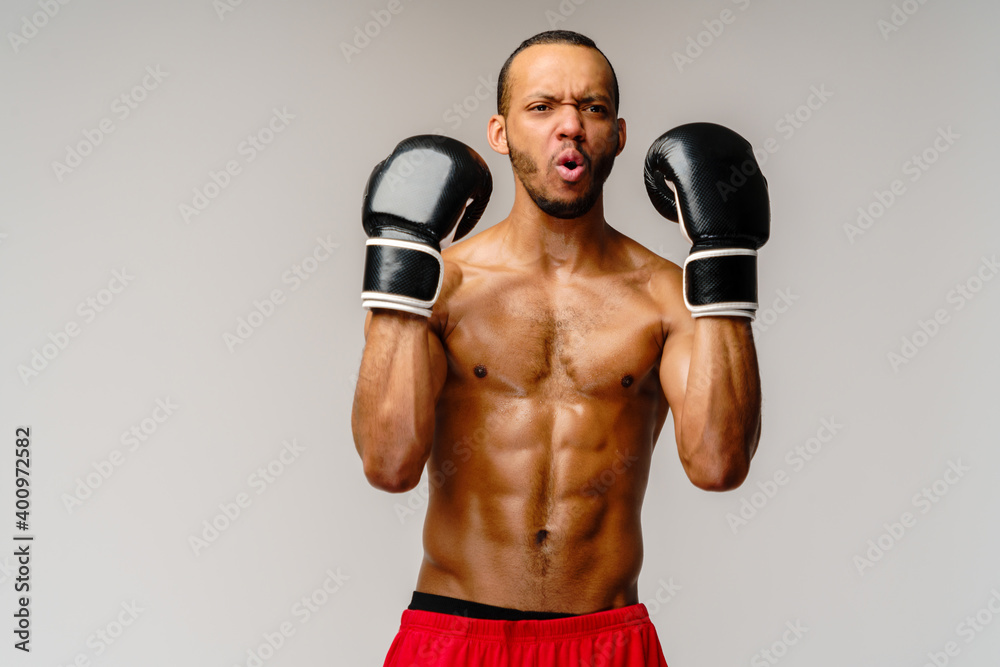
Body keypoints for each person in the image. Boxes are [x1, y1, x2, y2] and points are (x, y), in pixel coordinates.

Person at [352, 29, 768, 667]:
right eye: (542, 107)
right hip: (455, 635)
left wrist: (723, 259)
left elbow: (719, 464)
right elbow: (389, 464)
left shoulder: (666, 295)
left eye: (592, 108)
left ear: (620, 136)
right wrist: (400, 269)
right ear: (500, 132)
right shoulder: (443, 285)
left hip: (606, 640)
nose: (569, 126)